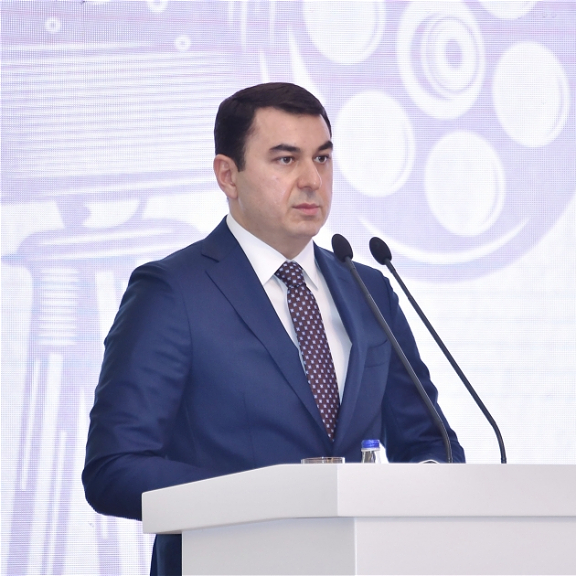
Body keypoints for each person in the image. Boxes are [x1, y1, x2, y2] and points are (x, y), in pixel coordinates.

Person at [82, 82, 465, 576]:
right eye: (286, 160)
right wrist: (268, 498)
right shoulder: (172, 292)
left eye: (322, 158)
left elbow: (433, 445)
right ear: (228, 175)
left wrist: (423, 487)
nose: (312, 180)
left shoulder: (368, 289)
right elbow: (114, 469)